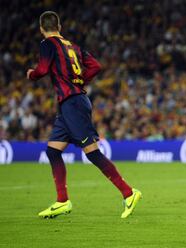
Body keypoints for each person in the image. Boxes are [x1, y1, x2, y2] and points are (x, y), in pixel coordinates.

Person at [26, 11, 141, 219]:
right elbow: (95, 66)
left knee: (92, 153)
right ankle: (62, 201)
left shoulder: (47, 44)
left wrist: (31, 74)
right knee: (53, 151)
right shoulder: (74, 47)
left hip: (73, 104)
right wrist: (78, 80)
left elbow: (42, 69)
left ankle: (129, 193)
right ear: (59, 26)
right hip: (70, 103)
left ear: (42, 29)